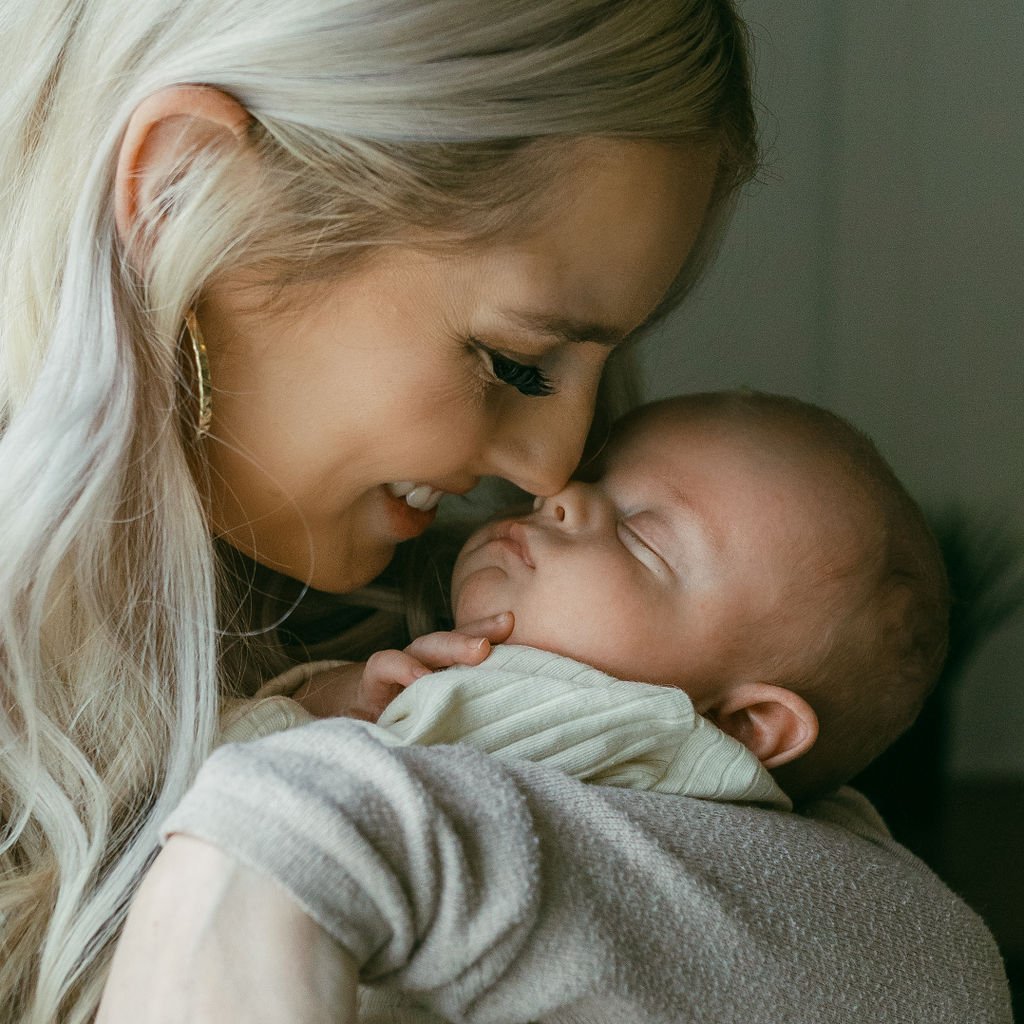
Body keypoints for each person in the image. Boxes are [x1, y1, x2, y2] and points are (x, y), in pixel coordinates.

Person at [0, 1, 1009, 1022]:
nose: (550, 469)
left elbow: (928, 967)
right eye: (515, 361)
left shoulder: (463, 638)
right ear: (185, 189)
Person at [277, 390, 950, 815]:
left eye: (640, 537)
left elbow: (223, 782)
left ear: (743, 726)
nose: (560, 496)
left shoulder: (568, 716)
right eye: (592, 476)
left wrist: (328, 707)